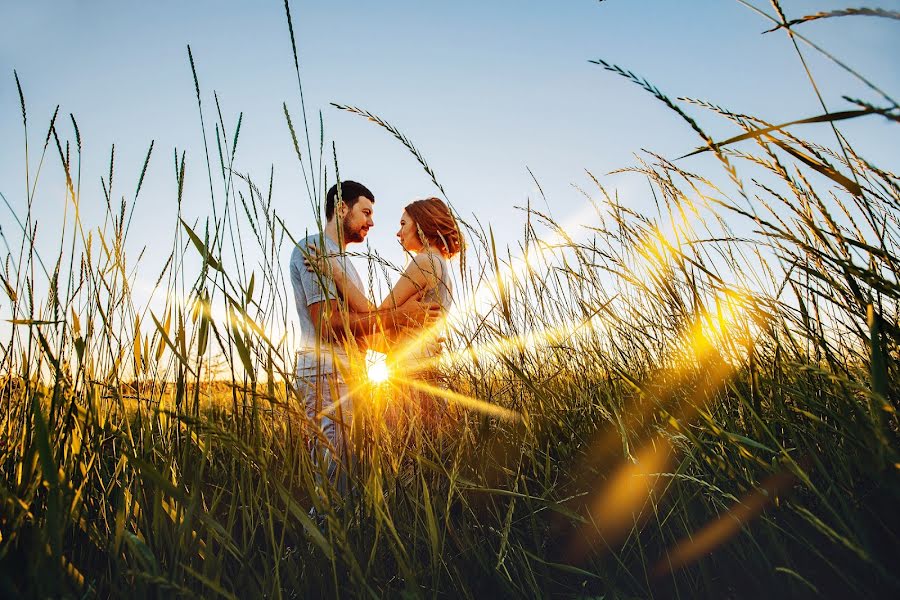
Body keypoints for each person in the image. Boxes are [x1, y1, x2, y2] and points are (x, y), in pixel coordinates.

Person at [289, 181, 441, 478]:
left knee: (352, 478)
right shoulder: (315, 250)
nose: (372, 222)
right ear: (341, 208)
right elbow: (327, 325)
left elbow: (363, 330)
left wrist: (411, 343)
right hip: (326, 374)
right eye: (366, 212)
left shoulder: (344, 264)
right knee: (335, 480)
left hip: (348, 374)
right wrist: (397, 316)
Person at [305, 197, 463, 425]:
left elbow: (378, 316)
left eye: (403, 224)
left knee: (405, 455)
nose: (398, 233)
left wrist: (337, 274)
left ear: (421, 224)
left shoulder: (425, 261)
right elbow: (392, 333)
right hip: (427, 375)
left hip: (410, 379)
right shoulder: (441, 265)